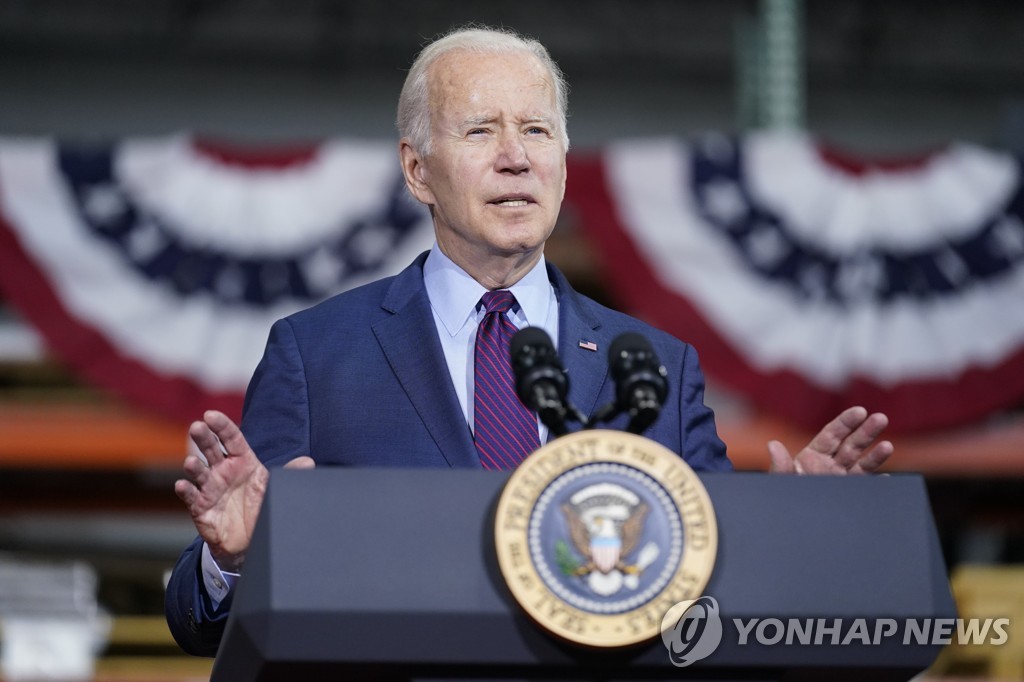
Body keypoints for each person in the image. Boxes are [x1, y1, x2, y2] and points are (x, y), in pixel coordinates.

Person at [165, 25, 893, 657]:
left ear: (564, 162)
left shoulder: (654, 368)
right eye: (481, 130)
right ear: (418, 170)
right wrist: (231, 560)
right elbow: (203, 626)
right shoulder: (317, 354)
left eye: (538, 130)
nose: (516, 157)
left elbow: (713, 592)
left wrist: (796, 533)